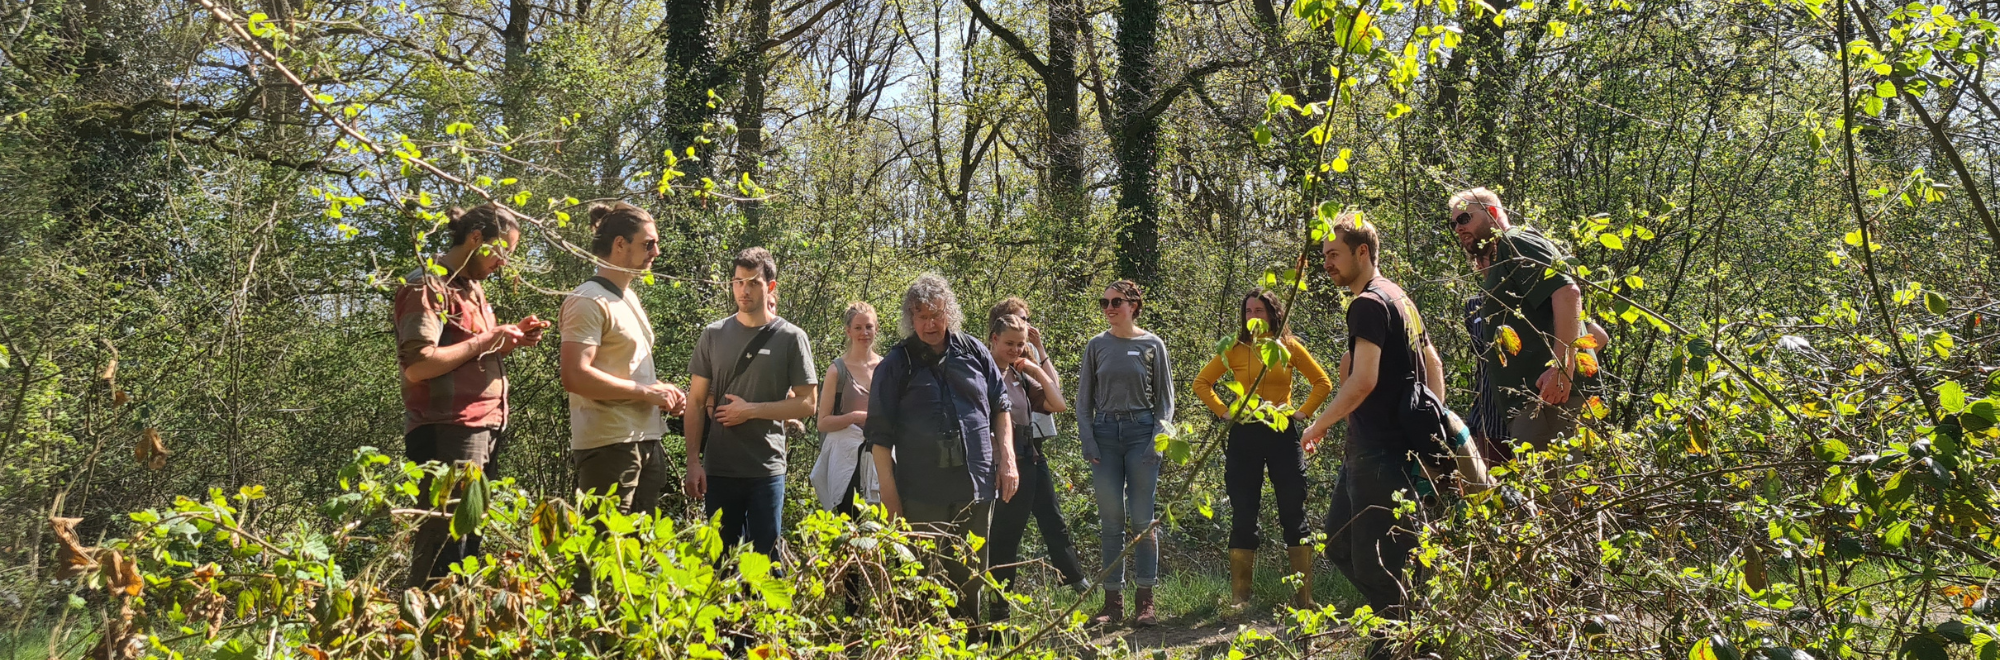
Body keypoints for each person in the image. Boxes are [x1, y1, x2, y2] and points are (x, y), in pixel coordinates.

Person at [1299, 211, 1487, 653]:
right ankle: (1410, 628)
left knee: (1376, 561)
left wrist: (1317, 426)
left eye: (1334, 254)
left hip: (1381, 452)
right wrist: (1428, 428)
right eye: (1324, 255)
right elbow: (1433, 364)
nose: (1327, 263)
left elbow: (1363, 380)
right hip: (1372, 447)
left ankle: (1401, 643)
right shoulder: (1397, 297)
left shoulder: (1368, 303)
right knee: (1342, 545)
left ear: (1362, 252)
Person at [394, 203, 545, 589]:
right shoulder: (426, 285)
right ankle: (424, 634)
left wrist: (508, 340)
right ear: (476, 239)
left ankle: (457, 632)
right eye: (502, 252)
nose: (504, 264)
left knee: (467, 542)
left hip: (482, 428)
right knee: (443, 541)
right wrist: (486, 339)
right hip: (447, 431)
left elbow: (471, 354)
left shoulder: (472, 289)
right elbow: (419, 365)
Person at [866, 274, 1020, 625]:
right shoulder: (895, 365)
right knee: (922, 579)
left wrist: (1008, 460)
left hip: (975, 485)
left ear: (949, 313)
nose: (930, 323)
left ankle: (971, 641)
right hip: (921, 492)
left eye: (936, 314)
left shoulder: (975, 351)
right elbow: (878, 440)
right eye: (921, 316)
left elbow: (1001, 407)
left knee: (970, 575)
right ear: (910, 318)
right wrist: (891, 501)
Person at [1193, 288, 1333, 611]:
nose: (1253, 316)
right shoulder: (1235, 348)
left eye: (1260, 310)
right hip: (1245, 436)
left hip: (1282, 433)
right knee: (1243, 515)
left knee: (1293, 514)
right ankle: (1240, 600)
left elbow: (1322, 382)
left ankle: (1304, 599)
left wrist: (1301, 413)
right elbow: (1202, 383)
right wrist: (1227, 412)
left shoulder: (1288, 346)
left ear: (1273, 314)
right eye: (1248, 311)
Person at [684, 247, 818, 557]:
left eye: (753, 283)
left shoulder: (791, 337)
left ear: (770, 287)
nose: (744, 290)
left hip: (766, 469)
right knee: (720, 565)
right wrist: (693, 461)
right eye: (738, 282)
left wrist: (751, 411)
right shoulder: (713, 335)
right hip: (719, 469)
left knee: (766, 563)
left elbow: (808, 403)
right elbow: (695, 403)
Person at [559, 202, 686, 519]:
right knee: (604, 554)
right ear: (619, 245)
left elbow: (623, 370)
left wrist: (660, 391)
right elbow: (575, 376)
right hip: (609, 445)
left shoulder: (627, 297)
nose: (656, 251)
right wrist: (646, 393)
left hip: (645, 439)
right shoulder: (588, 299)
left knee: (636, 554)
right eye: (648, 244)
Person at [1448, 187, 1596, 454]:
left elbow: (1567, 292)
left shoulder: (1515, 242)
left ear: (1492, 213)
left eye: (1464, 218)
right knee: (1543, 493)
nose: (1458, 228)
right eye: (1453, 223)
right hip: (1537, 402)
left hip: (1550, 399)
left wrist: (1562, 368)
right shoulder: (1500, 258)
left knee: (1554, 494)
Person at [1076, 280, 1174, 626]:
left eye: (1116, 301)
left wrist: (1157, 439)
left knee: (1142, 520)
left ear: (1134, 304)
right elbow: (1083, 399)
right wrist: (1087, 438)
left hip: (1141, 433)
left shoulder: (1152, 344)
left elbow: (1166, 400)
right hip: (1104, 435)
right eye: (1103, 302)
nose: (1108, 308)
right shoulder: (1096, 346)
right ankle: (1111, 604)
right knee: (1111, 521)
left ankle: (1145, 602)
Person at [984, 309, 1089, 624]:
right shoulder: (980, 372)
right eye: (1010, 344)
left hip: (1025, 460)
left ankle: (1001, 615)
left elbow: (1058, 404)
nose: (1015, 349)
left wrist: (1034, 367)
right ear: (993, 339)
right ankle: (995, 616)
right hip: (995, 464)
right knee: (999, 539)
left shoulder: (1018, 375)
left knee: (1012, 537)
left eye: (1020, 344)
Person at [809, 302, 882, 511]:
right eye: (858, 328)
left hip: (880, 458)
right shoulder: (837, 371)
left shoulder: (886, 368)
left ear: (876, 328)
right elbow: (822, 423)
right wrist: (855, 417)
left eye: (869, 327)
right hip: (845, 462)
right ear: (848, 331)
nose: (864, 333)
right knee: (846, 520)